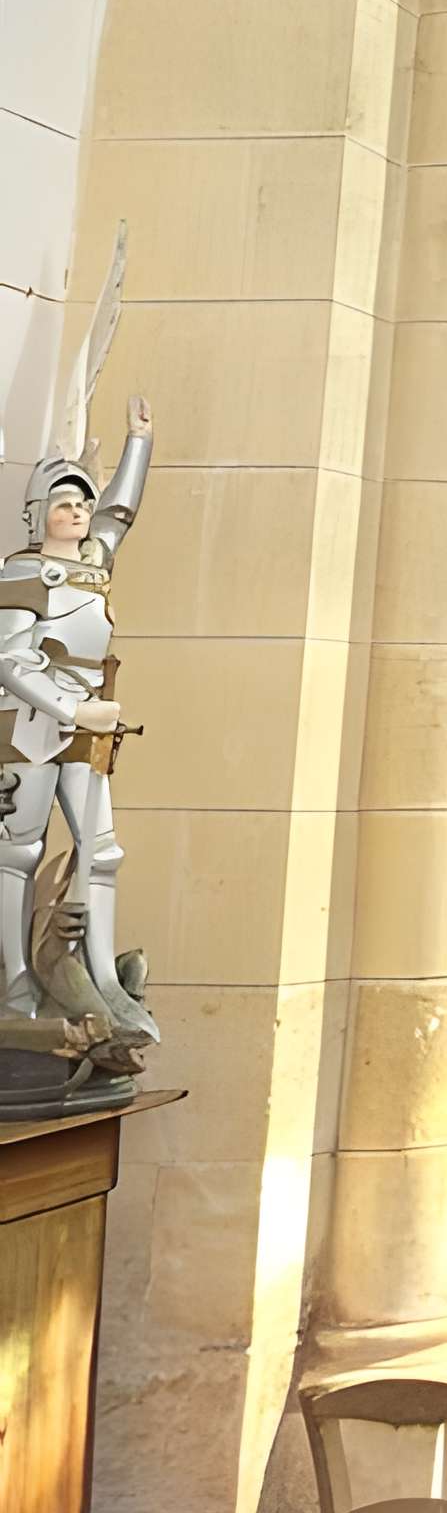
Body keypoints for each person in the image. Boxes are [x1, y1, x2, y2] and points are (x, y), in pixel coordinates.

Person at [0, 397, 156, 1042]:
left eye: (82, 504)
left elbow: (121, 512)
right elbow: (10, 662)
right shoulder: (22, 572)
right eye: (65, 503)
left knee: (102, 850)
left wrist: (138, 442)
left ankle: (105, 979)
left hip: (92, 720)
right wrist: (71, 707)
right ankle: (14, 983)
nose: (78, 513)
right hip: (32, 729)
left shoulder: (93, 563)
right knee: (19, 851)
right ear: (40, 512)